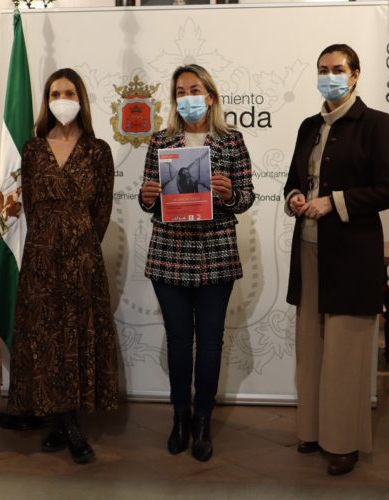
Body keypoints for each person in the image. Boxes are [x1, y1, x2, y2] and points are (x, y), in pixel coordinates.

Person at [283, 43, 389, 475]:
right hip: (310, 251)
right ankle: (313, 431)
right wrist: (295, 196)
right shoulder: (308, 126)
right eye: (322, 69)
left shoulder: (375, 124)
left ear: (354, 75)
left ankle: (344, 442)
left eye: (337, 69)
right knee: (310, 347)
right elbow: (295, 180)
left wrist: (334, 202)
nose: (329, 75)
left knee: (344, 354)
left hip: (352, 255)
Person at [139, 64, 254, 462]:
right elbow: (146, 199)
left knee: (209, 343)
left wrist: (227, 193)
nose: (187, 97)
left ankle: (203, 420)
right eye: (180, 91)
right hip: (170, 253)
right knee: (177, 342)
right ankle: (180, 418)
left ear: (210, 96)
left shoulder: (232, 141)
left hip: (215, 254)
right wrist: (148, 194)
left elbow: (246, 198)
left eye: (195, 89)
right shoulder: (160, 141)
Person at [5, 68, 119, 464]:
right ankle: (59, 420)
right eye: (55, 92)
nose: (62, 98)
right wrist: (49, 241)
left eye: (69, 92)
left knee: (76, 334)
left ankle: (68, 423)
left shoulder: (98, 149)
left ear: (81, 98)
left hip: (83, 257)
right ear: (47, 100)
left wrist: (80, 239)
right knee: (46, 336)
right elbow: (31, 206)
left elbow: (103, 207)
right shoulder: (32, 149)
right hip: (41, 255)